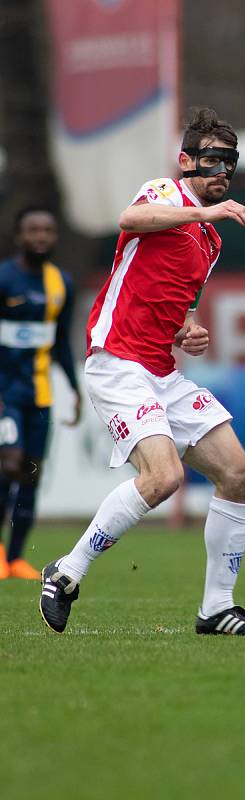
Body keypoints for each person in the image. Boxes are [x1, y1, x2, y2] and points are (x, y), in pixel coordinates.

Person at [39, 107, 245, 636]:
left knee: (240, 473)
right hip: (116, 360)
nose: (222, 173)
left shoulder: (210, 241)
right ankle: (67, 572)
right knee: (163, 476)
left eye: (229, 164)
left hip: (160, 369)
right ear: (185, 161)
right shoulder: (166, 195)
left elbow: (181, 297)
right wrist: (201, 213)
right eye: (212, 161)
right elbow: (130, 221)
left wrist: (189, 328)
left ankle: (216, 608)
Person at [0, 207, 81, 580]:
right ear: (19, 236)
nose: (41, 237)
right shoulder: (4, 278)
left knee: (31, 475)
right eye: (33, 230)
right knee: (9, 464)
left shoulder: (60, 283)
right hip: (6, 396)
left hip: (41, 398)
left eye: (47, 230)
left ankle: (16, 559)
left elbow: (61, 342)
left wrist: (74, 388)